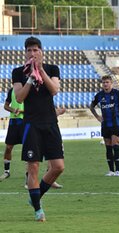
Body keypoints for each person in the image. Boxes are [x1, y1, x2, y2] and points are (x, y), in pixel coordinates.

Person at [12, 36, 64, 222]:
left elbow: (54, 90)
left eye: (36, 50)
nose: (32, 53)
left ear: (41, 51)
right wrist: (30, 80)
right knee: (33, 167)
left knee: (58, 167)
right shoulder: (18, 72)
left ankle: (35, 197)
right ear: (25, 53)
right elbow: (19, 98)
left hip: (50, 123)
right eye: (29, 50)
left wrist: (40, 71)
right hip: (31, 124)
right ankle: (38, 210)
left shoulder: (52, 69)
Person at [90, 75, 119, 177]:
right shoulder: (99, 95)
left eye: (107, 82)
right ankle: (111, 170)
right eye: (104, 82)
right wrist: (97, 116)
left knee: (116, 145)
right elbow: (91, 106)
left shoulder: (118, 94)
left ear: (111, 83)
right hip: (105, 125)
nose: (105, 84)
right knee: (108, 147)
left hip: (116, 124)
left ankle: (118, 170)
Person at [0, 88, 24, 182]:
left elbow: (34, 109)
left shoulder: (29, 89)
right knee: (8, 147)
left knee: (27, 148)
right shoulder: (12, 90)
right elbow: (6, 106)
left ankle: (28, 176)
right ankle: (6, 171)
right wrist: (13, 110)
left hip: (26, 122)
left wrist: (21, 112)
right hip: (13, 122)